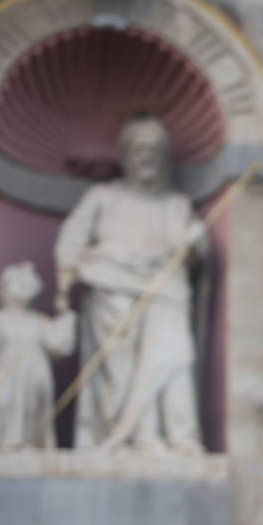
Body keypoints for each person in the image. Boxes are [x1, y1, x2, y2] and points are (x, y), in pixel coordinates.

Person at [54, 115, 206, 453]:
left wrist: (197, 242)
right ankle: (132, 437)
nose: (146, 155)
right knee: (119, 366)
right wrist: (66, 278)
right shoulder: (102, 196)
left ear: (165, 157)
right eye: (138, 148)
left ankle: (180, 436)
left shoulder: (177, 204)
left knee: (175, 356)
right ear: (125, 156)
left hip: (165, 289)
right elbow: (73, 235)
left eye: (154, 149)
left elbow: (193, 255)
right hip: (111, 284)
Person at [0, 260, 75, 449]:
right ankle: (7, 441)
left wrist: (66, 317)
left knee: (32, 408)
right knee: (6, 402)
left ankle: (29, 442)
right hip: (7, 372)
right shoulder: (2, 320)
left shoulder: (38, 321)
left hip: (35, 372)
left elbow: (59, 344)